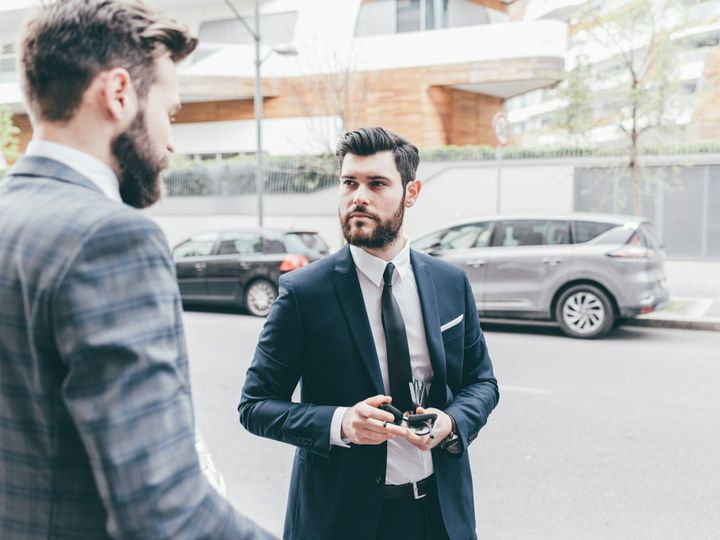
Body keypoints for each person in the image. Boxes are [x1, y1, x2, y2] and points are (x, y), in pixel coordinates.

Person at [0, 1, 273, 538]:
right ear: (119, 93)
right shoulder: (112, 239)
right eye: (169, 113)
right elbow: (164, 511)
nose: (172, 143)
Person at [238, 126, 500, 540]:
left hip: (440, 514)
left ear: (410, 193)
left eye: (376, 183)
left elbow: (482, 383)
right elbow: (254, 406)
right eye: (349, 183)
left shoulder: (450, 282)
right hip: (340, 520)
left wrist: (451, 422)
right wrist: (341, 423)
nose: (359, 196)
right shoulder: (304, 293)